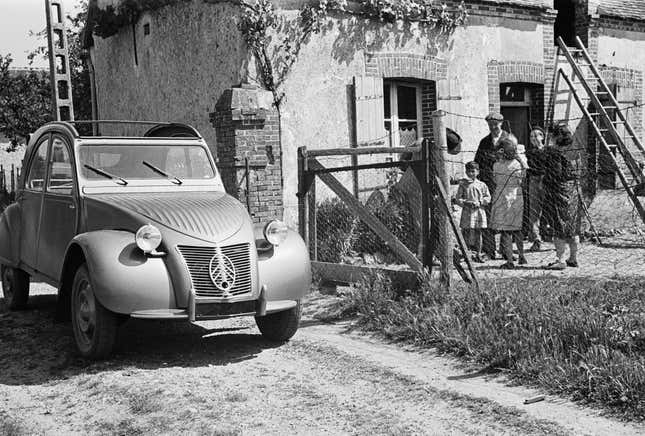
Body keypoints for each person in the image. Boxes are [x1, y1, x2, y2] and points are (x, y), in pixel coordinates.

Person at [542, 122, 583, 270]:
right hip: (573, 190)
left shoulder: (554, 153)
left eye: (552, 135)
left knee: (558, 226)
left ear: (557, 136)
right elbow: (579, 170)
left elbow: (555, 174)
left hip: (558, 191)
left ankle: (560, 259)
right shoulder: (575, 150)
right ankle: (573, 258)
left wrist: (545, 181)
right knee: (573, 227)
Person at [474, 112, 509, 259]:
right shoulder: (484, 142)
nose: (493, 127)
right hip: (488, 184)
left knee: (505, 216)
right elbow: (478, 162)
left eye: (495, 124)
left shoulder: (509, 140)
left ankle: (506, 250)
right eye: (490, 125)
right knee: (488, 216)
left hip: (505, 183)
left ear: (501, 123)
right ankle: (490, 251)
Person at [490, 134, 527, 269]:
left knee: (506, 231)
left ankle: (510, 260)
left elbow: (495, 180)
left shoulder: (496, 166)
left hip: (502, 196)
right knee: (517, 229)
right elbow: (523, 177)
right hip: (516, 195)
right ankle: (522, 255)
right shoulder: (518, 164)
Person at [453, 161, 491, 263]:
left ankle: (478, 253)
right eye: (469, 171)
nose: (471, 174)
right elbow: (458, 198)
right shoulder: (463, 185)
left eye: (473, 171)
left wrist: (480, 202)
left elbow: (488, 197)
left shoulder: (482, 185)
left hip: (478, 211)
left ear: (477, 172)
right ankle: (466, 253)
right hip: (467, 211)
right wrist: (465, 202)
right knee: (466, 231)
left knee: (478, 232)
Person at [525, 127, 547, 251]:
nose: (533, 139)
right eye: (531, 137)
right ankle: (536, 239)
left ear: (542, 137)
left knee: (549, 210)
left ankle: (554, 237)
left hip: (546, 181)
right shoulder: (529, 153)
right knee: (534, 211)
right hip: (533, 180)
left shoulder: (548, 151)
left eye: (536, 136)